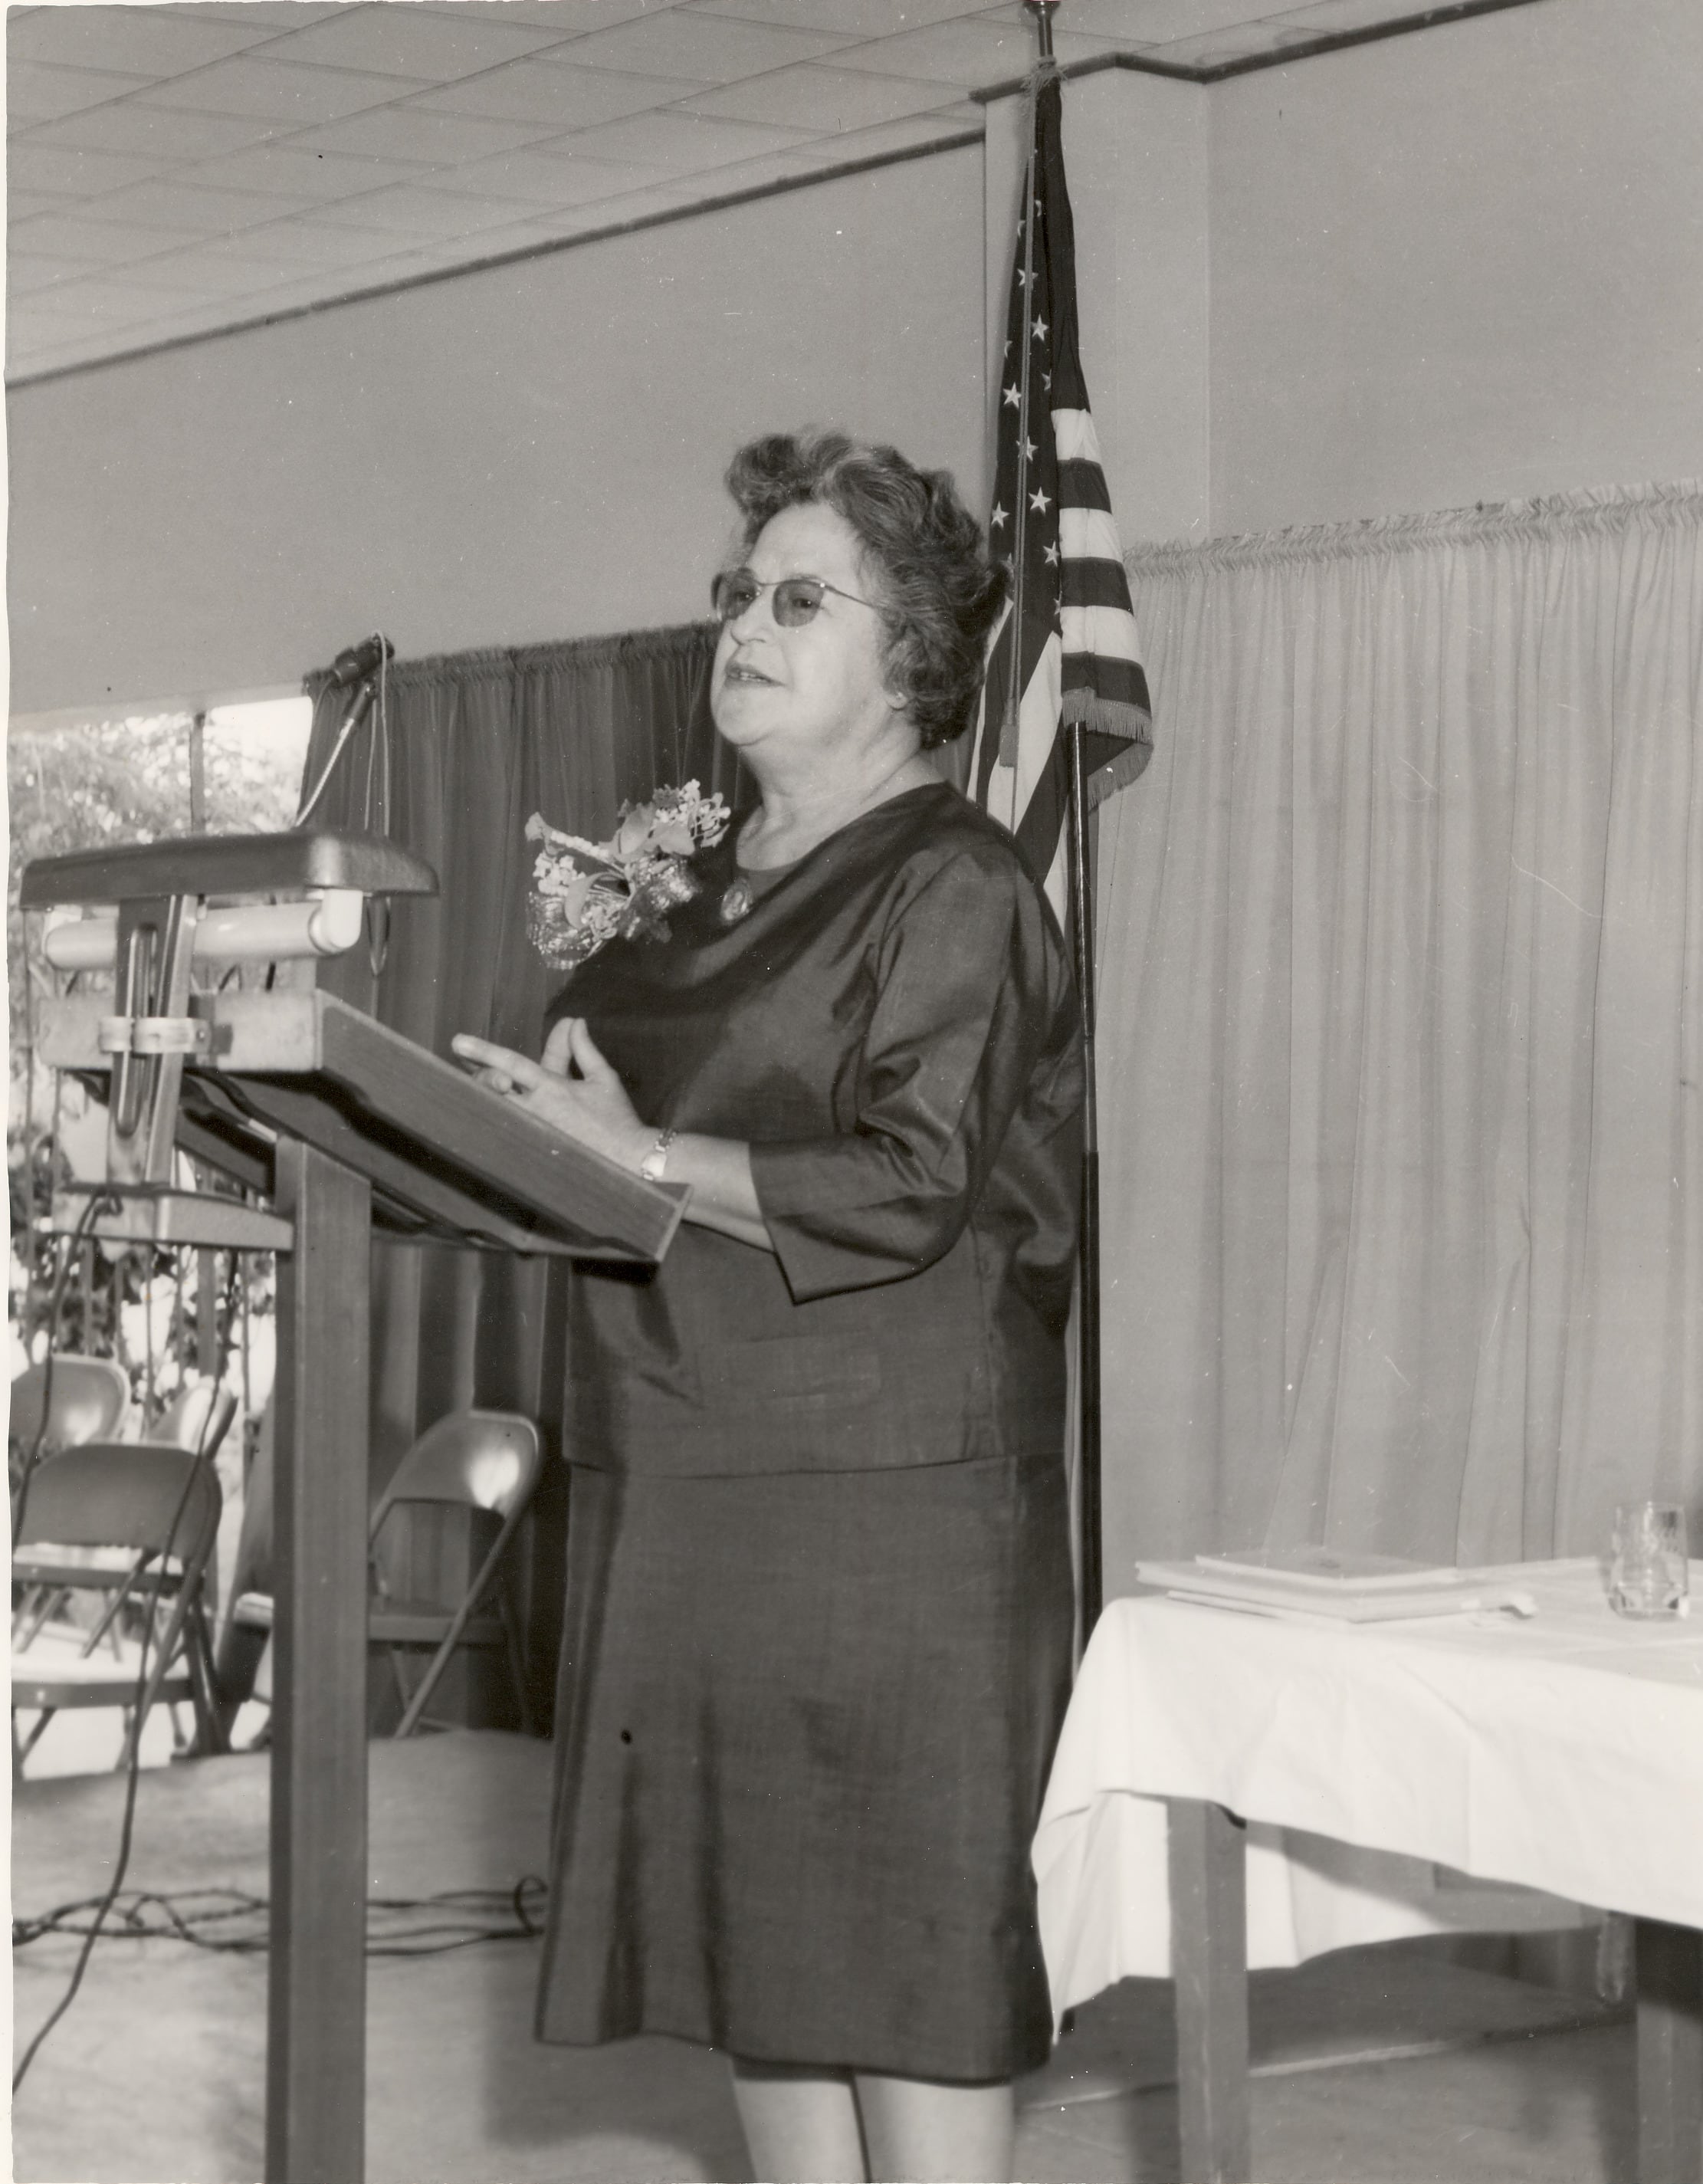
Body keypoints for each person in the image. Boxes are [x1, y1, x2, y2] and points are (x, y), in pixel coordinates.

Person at [453, 428, 1082, 2184]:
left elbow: (914, 1176)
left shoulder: (949, 880)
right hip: (689, 1469)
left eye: (801, 601)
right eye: (739, 591)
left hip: (890, 1506)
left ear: (915, 658)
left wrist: (641, 1155)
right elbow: (619, 1155)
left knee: (901, 1962)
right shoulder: (688, 896)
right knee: (763, 1951)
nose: (743, 623)